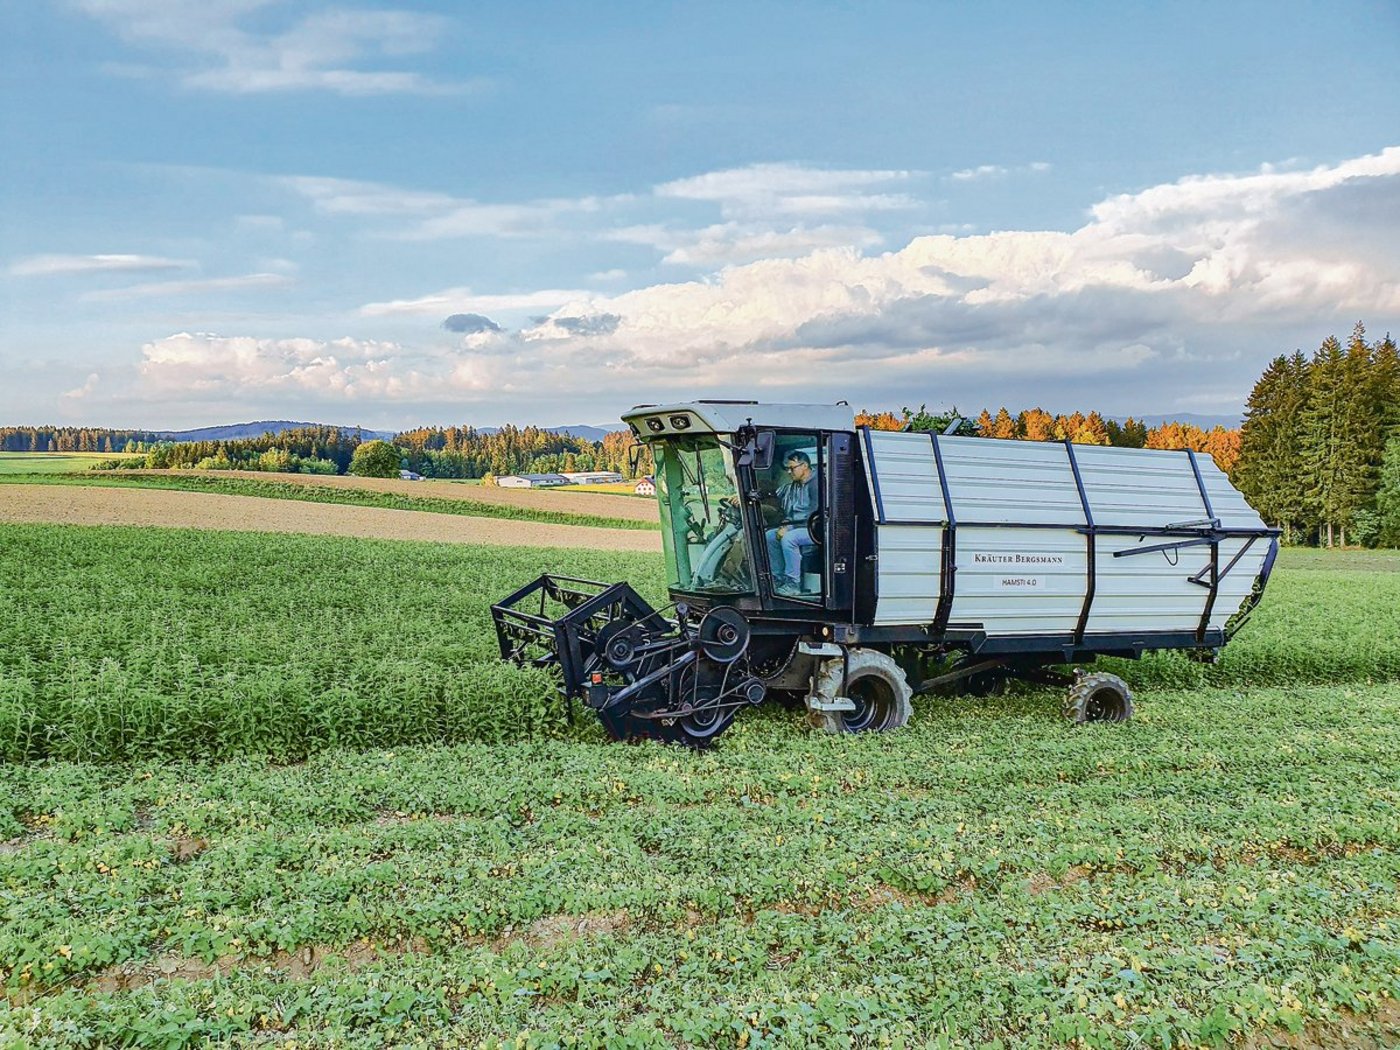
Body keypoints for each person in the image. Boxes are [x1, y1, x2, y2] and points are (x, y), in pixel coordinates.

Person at [766, 450, 818, 594]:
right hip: (798, 526)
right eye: (788, 468)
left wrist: (789, 528)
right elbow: (791, 512)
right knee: (770, 536)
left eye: (792, 468)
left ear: (805, 465)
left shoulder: (817, 484)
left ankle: (793, 583)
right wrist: (785, 525)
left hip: (816, 529)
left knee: (789, 539)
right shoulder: (795, 485)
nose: (789, 472)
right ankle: (777, 578)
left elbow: (815, 515)